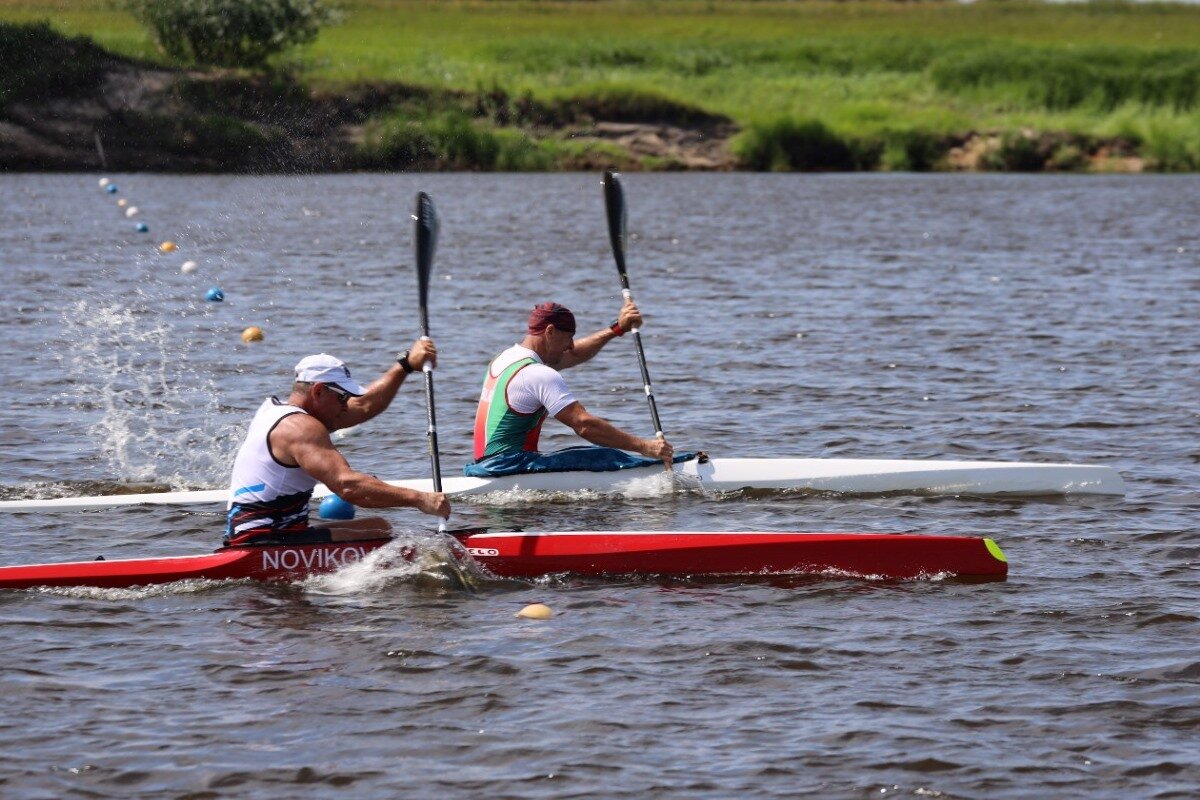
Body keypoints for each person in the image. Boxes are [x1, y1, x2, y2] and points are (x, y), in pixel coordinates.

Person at [225, 345, 450, 546]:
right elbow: (348, 487)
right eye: (343, 398)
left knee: (379, 527)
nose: (346, 406)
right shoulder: (301, 427)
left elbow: (364, 406)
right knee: (386, 539)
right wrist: (420, 499)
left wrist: (405, 365)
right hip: (266, 541)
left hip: (258, 533)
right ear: (319, 391)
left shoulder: (273, 410)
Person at [466, 300, 678, 477]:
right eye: (568, 338)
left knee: (587, 453)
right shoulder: (538, 374)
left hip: (486, 465)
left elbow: (574, 355)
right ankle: (666, 464)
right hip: (510, 468)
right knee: (603, 456)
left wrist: (618, 329)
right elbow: (584, 426)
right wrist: (644, 447)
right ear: (550, 331)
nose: (570, 345)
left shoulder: (505, 359)